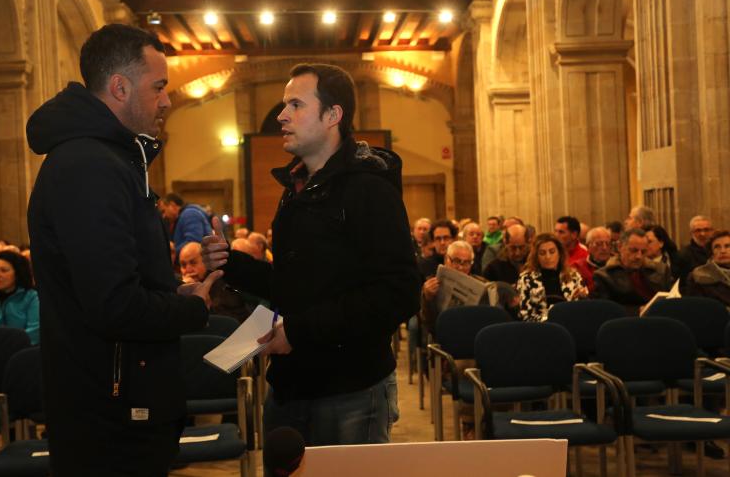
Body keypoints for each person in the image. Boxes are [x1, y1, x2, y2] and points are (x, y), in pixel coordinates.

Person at [26, 24, 220, 476]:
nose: (167, 100)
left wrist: (177, 294)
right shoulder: (90, 167)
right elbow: (113, 305)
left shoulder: (108, 160)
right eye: (159, 87)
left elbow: (121, 277)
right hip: (109, 413)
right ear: (119, 87)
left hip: (119, 400)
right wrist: (193, 308)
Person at [202, 62, 420, 446]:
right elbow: (292, 283)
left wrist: (300, 332)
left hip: (351, 390)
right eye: (284, 105)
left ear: (333, 115)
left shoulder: (369, 190)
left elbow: (397, 293)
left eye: (296, 105)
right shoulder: (297, 188)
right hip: (291, 386)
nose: (282, 116)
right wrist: (230, 263)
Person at [592, 228, 673, 315]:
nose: (639, 256)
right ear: (620, 247)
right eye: (633, 250)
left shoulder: (661, 270)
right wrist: (637, 310)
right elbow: (605, 310)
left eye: (643, 252)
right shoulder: (603, 276)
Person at [517, 234, 587, 322]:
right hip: (541, 327)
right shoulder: (526, 278)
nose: (548, 257)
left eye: (552, 251)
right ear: (536, 256)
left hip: (571, 322)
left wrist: (583, 297)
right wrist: (549, 321)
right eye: (542, 253)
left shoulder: (573, 275)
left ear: (559, 253)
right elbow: (525, 314)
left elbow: (583, 308)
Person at [420, 240, 485, 334]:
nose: (461, 267)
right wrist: (427, 298)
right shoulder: (432, 284)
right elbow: (428, 324)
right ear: (447, 259)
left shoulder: (480, 283)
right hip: (443, 335)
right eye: (457, 261)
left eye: (466, 262)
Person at [683, 230, 730, 307]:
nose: (723, 251)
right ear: (711, 253)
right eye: (717, 247)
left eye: (727, 246)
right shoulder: (698, 276)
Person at [570, 226, 613, 292]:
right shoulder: (577, 267)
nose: (604, 248)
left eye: (608, 244)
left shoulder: (617, 266)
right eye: (599, 244)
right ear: (588, 246)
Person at [675, 215, 714, 280]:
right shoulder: (683, 254)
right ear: (691, 233)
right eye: (698, 230)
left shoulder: (718, 250)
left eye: (706, 230)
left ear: (712, 231)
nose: (702, 234)